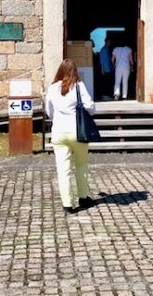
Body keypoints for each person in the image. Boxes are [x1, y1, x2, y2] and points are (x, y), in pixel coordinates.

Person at [46, 59, 96, 215]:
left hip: (59, 132)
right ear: (75, 71)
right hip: (78, 132)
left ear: (60, 71)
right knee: (81, 165)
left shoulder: (52, 88)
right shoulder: (79, 87)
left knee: (63, 170)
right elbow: (91, 107)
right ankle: (83, 197)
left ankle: (67, 204)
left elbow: (49, 112)